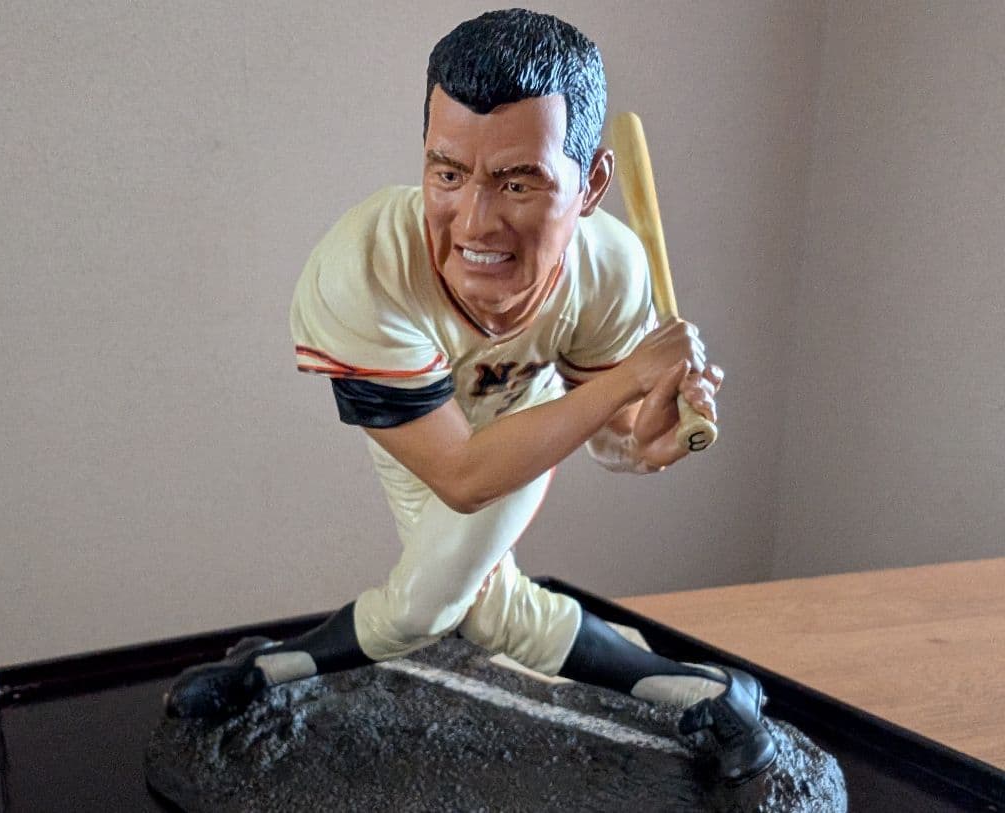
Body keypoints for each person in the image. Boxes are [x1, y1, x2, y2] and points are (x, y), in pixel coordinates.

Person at [165, 8, 776, 786]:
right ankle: (711, 692)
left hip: (527, 412)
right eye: (449, 174)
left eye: (519, 182)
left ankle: (268, 669)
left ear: (591, 184)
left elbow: (616, 438)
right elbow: (461, 475)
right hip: (428, 436)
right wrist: (630, 379)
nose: (477, 221)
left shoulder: (610, 268)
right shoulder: (365, 265)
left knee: (424, 606)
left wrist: (660, 424)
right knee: (485, 610)